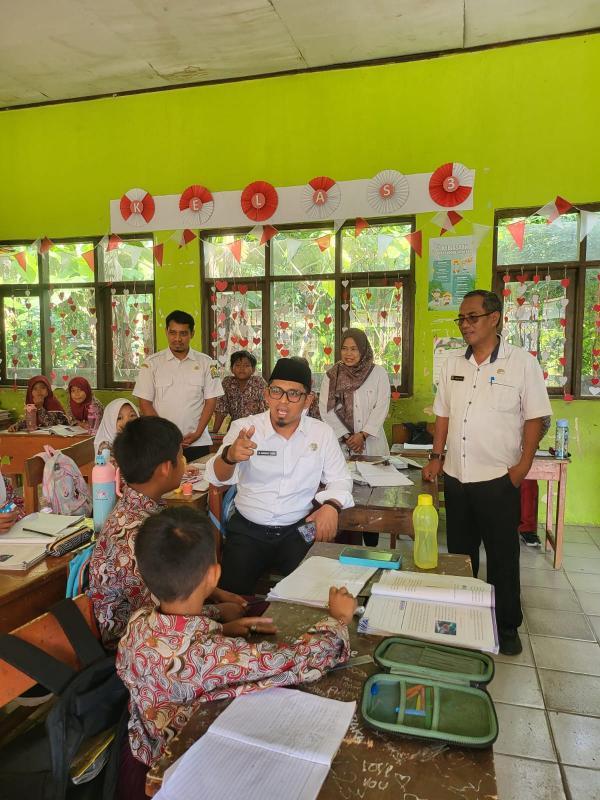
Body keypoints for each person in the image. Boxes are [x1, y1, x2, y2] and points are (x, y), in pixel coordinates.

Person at [116, 505, 355, 770]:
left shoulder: (136, 625)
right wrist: (339, 619)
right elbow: (300, 660)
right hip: (189, 761)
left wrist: (219, 619)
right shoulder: (214, 657)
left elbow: (172, 640)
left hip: (146, 746)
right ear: (214, 576)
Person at [423, 290, 551, 656]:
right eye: (461, 319)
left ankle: (506, 625)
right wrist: (436, 456)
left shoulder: (520, 363)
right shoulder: (452, 363)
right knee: (460, 553)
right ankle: (463, 616)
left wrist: (523, 466)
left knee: (502, 555)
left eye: (472, 317)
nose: (465, 325)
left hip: (498, 478)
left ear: (494, 318)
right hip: (458, 476)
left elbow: (536, 417)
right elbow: (443, 415)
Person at [88, 416, 247, 649]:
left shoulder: (135, 511)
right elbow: (164, 618)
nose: (184, 461)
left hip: (154, 628)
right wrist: (220, 617)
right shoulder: (138, 537)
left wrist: (216, 592)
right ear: (165, 468)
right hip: (135, 645)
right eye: (180, 456)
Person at [205, 357, 354, 594]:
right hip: (247, 531)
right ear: (266, 394)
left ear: (308, 400)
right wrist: (230, 456)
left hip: (296, 530)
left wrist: (332, 505)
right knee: (229, 600)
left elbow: (341, 478)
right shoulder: (244, 428)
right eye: (277, 391)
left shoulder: (321, 433)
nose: (283, 401)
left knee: (313, 597)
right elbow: (216, 478)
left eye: (294, 394)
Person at [133, 310, 224, 461]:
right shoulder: (151, 364)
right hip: (162, 443)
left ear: (192, 334)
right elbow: (145, 403)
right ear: (166, 332)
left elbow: (211, 401)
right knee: (164, 484)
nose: (177, 338)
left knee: (199, 483)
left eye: (183, 333)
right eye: (173, 333)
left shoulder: (208, 363)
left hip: (197, 442)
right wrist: (165, 435)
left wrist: (198, 433)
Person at [319, 328, 390, 457]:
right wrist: (348, 438)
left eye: (354, 349)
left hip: (372, 444)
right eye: (344, 348)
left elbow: (381, 407)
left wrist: (362, 436)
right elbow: (326, 409)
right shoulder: (331, 376)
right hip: (342, 445)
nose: (348, 354)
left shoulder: (379, 373)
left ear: (363, 350)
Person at [212, 350, 267, 433]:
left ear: (253, 369)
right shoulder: (227, 383)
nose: (242, 368)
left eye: (246, 365)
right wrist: (214, 432)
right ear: (231, 369)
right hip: (234, 429)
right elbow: (221, 409)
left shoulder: (259, 382)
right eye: (237, 365)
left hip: (256, 430)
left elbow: (266, 409)